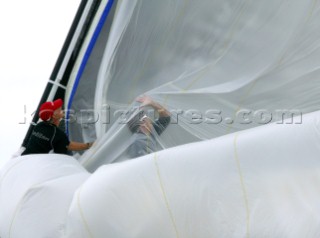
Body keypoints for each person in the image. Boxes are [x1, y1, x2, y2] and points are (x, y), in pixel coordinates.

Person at [22, 98, 93, 156]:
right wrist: (88, 145)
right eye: (58, 109)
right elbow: (69, 145)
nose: (61, 109)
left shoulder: (39, 126)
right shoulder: (56, 134)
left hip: (24, 158)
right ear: (54, 115)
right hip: (36, 164)